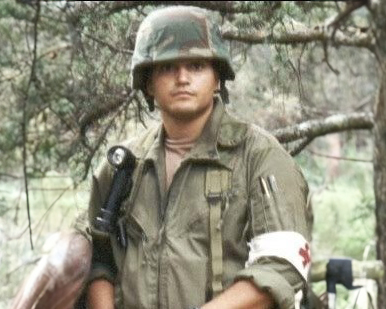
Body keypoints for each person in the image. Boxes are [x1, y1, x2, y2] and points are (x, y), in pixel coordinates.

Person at [86, 5, 311, 309]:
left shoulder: (260, 158)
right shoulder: (125, 165)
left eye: (196, 66)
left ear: (217, 77)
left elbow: (282, 266)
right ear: (149, 83)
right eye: (167, 67)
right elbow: (99, 256)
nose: (182, 78)